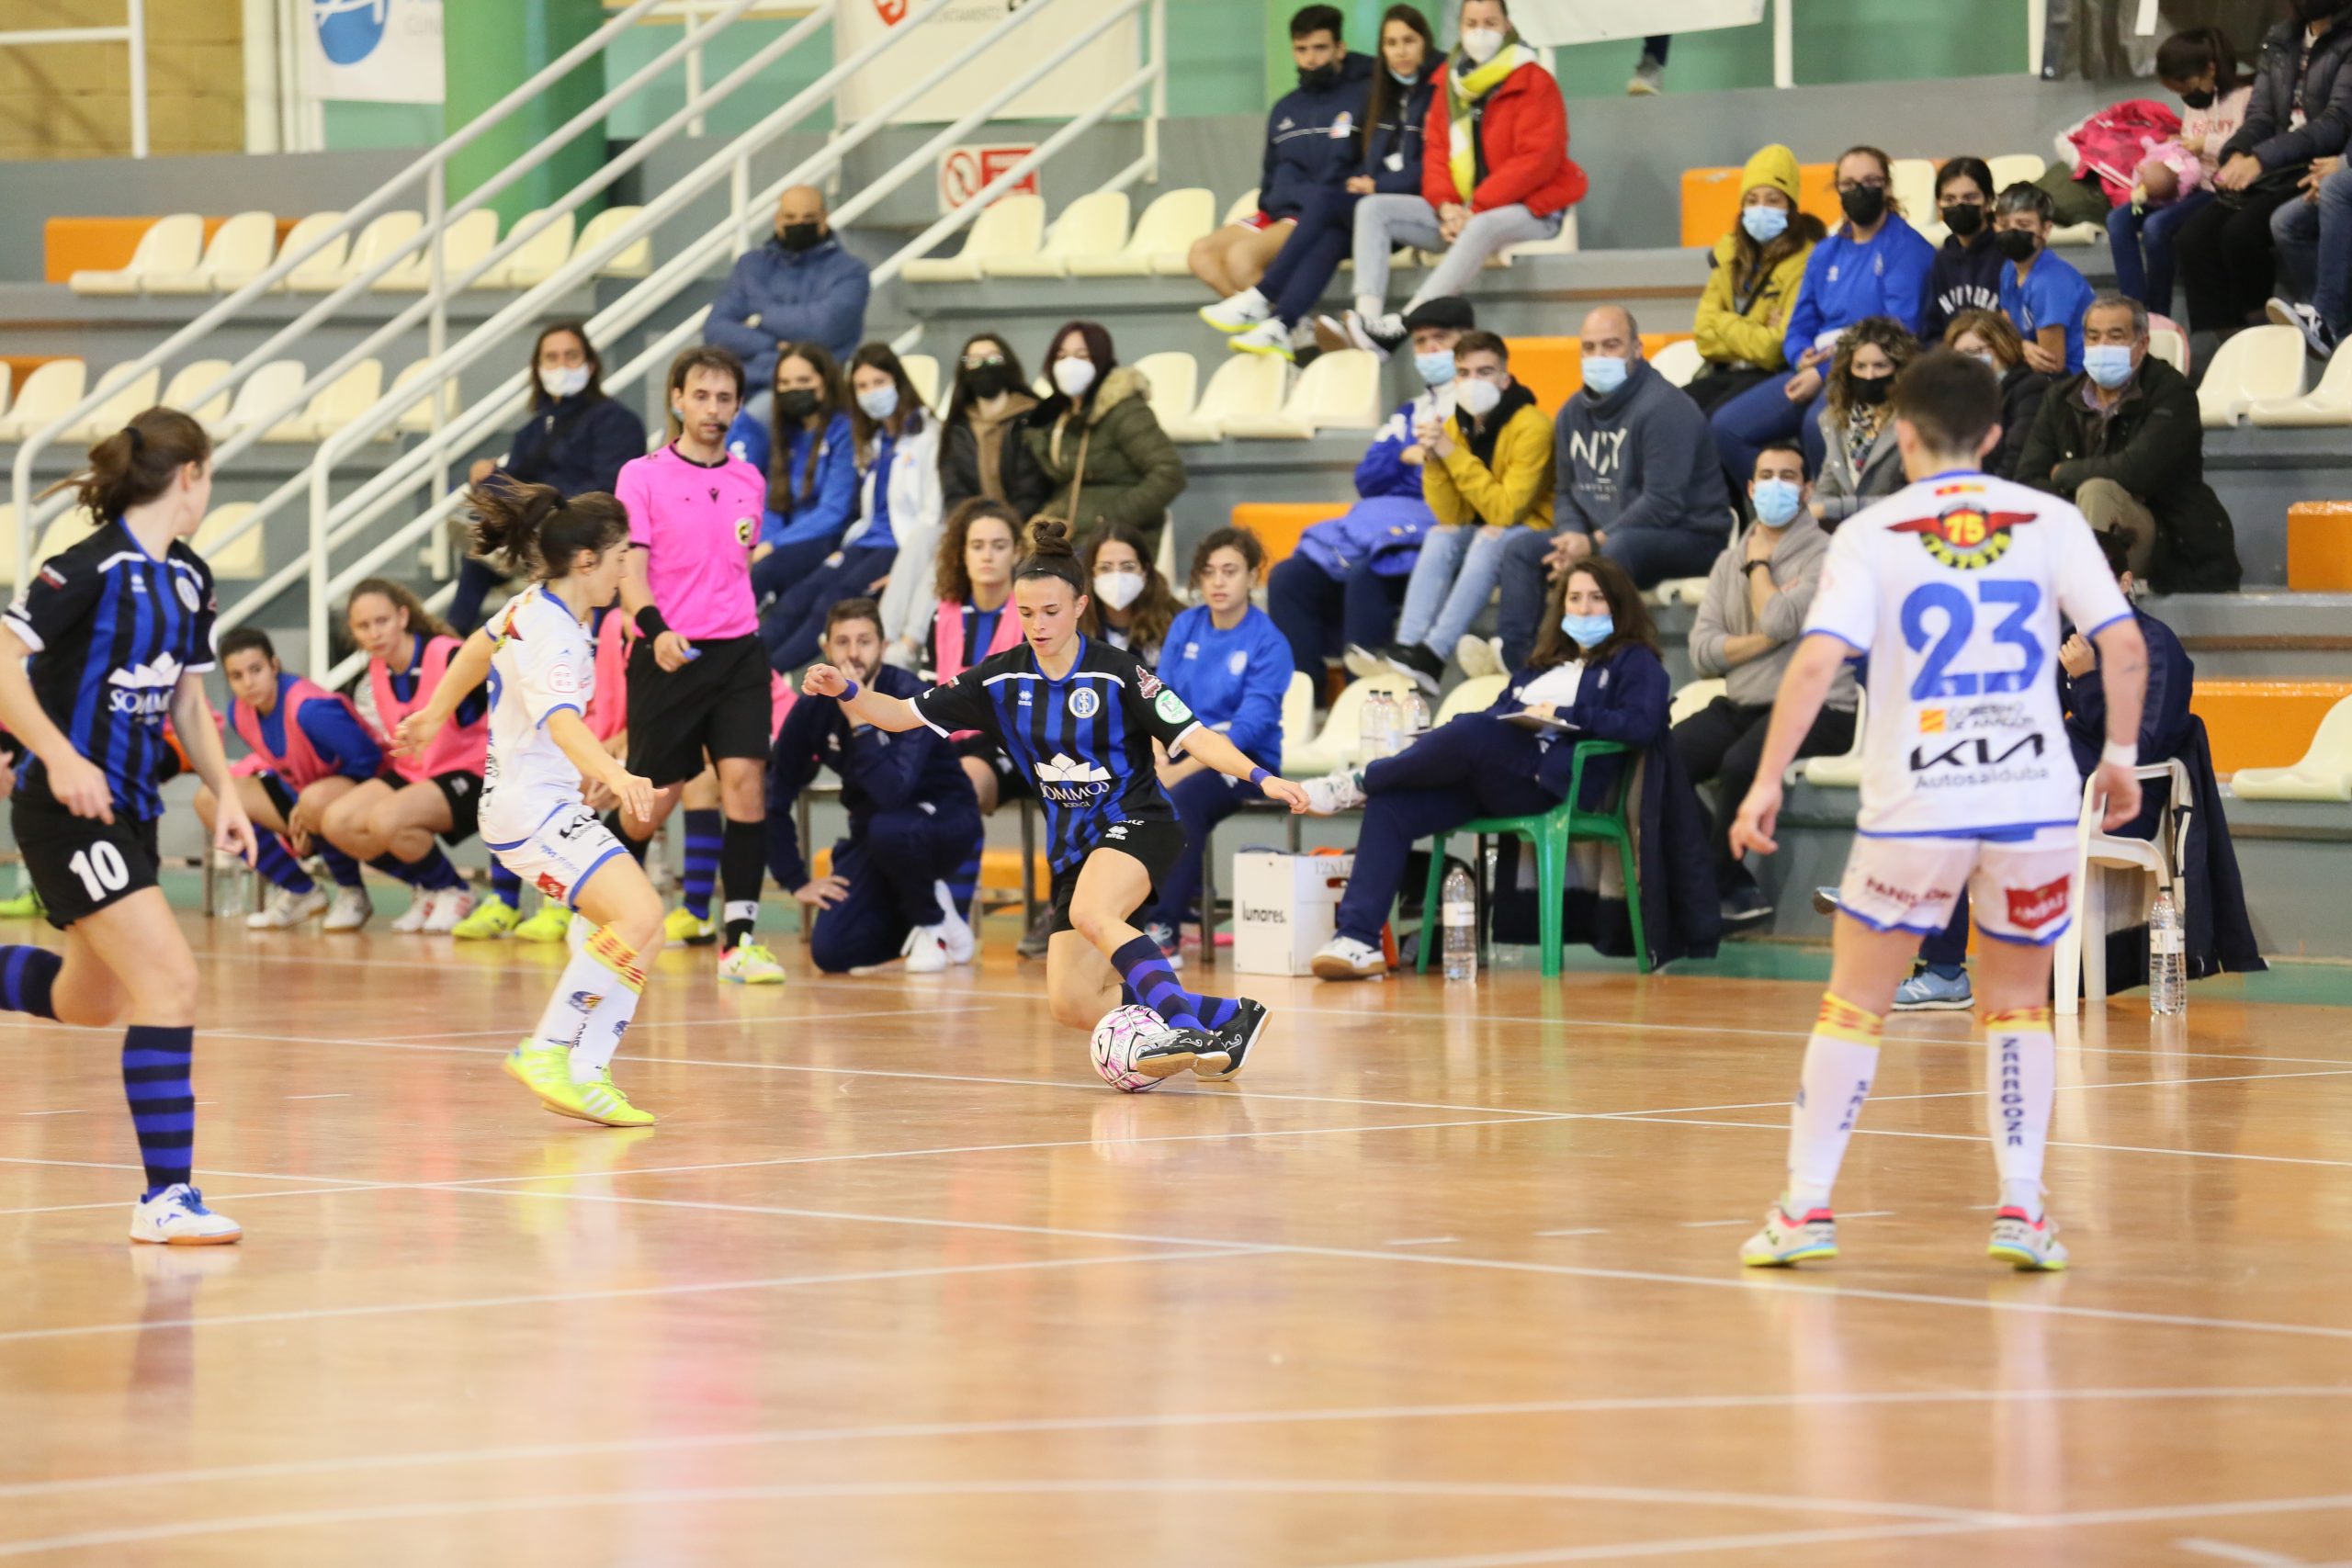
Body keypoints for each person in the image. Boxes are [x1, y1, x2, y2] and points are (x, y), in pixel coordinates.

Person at [1727, 347, 2150, 1273]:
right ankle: (2022, 1210)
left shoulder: (1872, 533)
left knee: (1855, 1003)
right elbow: (2119, 642)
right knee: (2013, 1007)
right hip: (2032, 794)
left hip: (1918, 795)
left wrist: (1763, 782)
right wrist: (2118, 758)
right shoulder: (2046, 518)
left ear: (1902, 435)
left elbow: (1811, 662)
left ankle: (1805, 1209)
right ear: (1995, 434)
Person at [802, 521, 1310, 1079]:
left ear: (1079, 607)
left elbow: (1195, 736)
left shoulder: (1119, 674)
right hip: (1074, 846)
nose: (1038, 624)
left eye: (1051, 611)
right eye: (1026, 613)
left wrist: (1262, 777)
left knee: (1092, 911)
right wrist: (845, 691)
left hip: (1139, 821)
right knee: (1071, 1002)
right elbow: (901, 715)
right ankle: (1232, 1016)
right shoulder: (996, 680)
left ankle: (1179, 1027)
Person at [0, 407, 256, 1243]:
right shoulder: (88, 566)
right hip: (67, 810)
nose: (207, 492)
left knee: (89, 1000)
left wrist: (227, 796)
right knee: (171, 984)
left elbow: (187, 697)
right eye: (209, 477)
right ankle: (164, 1197)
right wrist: (59, 755)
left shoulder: (189, 577)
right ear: (190, 476)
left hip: (135, 811)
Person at [395, 479, 667, 1127]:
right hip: (530, 810)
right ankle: (548, 1049)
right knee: (640, 914)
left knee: (641, 931)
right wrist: (614, 771)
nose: (629, 566)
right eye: (621, 553)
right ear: (587, 562)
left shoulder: (534, 608)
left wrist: (435, 712)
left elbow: (478, 645)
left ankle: (588, 1072)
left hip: (533, 804)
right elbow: (565, 724)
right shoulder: (558, 635)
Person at [1302, 557, 1668, 980]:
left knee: (1471, 730)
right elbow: (1498, 714)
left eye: (1596, 599)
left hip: (1547, 780)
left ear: (1618, 604)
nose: (1584, 610)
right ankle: (1358, 940)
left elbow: (1642, 724)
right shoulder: (1541, 664)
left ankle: (1360, 781)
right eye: (1575, 599)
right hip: (1491, 777)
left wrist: (1565, 713)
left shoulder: (1635, 662)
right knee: (1394, 804)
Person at [1893, 525, 2199, 1011]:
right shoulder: (2067, 641)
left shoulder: (2157, 649)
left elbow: (2141, 747)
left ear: (2123, 583)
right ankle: (1944, 969)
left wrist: (2089, 681)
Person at [612, 344, 786, 985]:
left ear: (738, 406)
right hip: (669, 652)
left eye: (725, 398)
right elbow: (630, 568)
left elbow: (734, 566)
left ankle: (739, 939)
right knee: (650, 801)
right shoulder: (642, 475)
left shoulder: (749, 480)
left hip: (739, 649)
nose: (713, 409)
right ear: (678, 399)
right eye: (702, 396)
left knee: (744, 782)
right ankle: (598, 905)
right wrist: (653, 628)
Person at [1675, 443, 1856, 929]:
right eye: (1767, 476)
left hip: (1822, 708)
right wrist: (1766, 637)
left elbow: (1777, 617)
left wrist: (1759, 569)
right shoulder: (1725, 561)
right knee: (1661, 758)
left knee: (1740, 764)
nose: (1777, 485)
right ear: (1751, 488)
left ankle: (1710, 891)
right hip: (1743, 702)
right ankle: (1726, 884)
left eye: (1789, 476)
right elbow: (1702, 653)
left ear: (1808, 489)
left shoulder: (1825, 556)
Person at [1343, 0, 1586, 359]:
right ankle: (1367, 325)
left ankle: (1403, 325)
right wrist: (1446, 208)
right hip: (1463, 214)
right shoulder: (1448, 85)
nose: (1481, 30)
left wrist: (1476, 208)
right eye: (1472, 22)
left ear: (1507, 26)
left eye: (1490, 21)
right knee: (1372, 209)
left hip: (1531, 210)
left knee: (1483, 225)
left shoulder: (1534, 80)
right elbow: (1436, 154)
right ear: (1460, 28)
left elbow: (1536, 161)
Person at [1204, 5, 1438, 362]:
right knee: (1328, 234)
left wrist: (1379, 184)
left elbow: (1433, 165)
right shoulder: (1383, 95)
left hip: (1411, 207)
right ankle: (1283, 324)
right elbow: (1271, 178)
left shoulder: (1431, 91)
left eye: (1409, 41)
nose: (1400, 51)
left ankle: (1263, 298)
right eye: (1390, 43)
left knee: (1326, 202)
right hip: (1361, 206)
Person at [769, 598, 983, 975]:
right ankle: (922, 912)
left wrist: (860, 720)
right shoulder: (812, 709)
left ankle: (932, 925)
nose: (853, 654)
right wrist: (794, 878)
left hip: (944, 823)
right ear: (826, 649)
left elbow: (894, 792)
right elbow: (776, 790)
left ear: (884, 648)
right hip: (876, 836)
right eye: (843, 642)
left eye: (864, 641)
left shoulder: (909, 695)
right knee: (831, 952)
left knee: (891, 826)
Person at [1270, 296, 1468, 682]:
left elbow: (1459, 484)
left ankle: (1362, 698)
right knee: (1289, 578)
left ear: (1468, 340)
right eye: (1422, 342)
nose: (1430, 350)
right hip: (1384, 528)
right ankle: (1304, 706)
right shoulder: (1410, 411)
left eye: (1440, 339)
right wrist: (1409, 457)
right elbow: (1368, 478)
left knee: (1368, 572)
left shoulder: (1480, 410)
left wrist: (1420, 463)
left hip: (1441, 531)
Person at [1510, 308, 1729, 655]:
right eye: (1590, 348)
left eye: (1611, 345)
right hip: (1608, 535)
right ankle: (1522, 664)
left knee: (1617, 550)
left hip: (1690, 535)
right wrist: (1571, 538)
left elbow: (1662, 504)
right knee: (1521, 550)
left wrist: (1593, 543)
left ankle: (1601, 660)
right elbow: (1566, 491)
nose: (1599, 357)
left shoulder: (1664, 408)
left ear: (1637, 349)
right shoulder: (1571, 413)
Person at [1711, 145, 1936, 482]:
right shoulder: (1825, 252)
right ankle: (1792, 510)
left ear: (1887, 187)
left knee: (1818, 428)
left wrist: (1827, 371)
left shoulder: (1908, 249)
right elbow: (1800, 322)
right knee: (1727, 428)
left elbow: (1899, 331)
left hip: (1871, 372)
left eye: (1870, 181)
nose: (1859, 191)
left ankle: (1829, 520)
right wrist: (1801, 357)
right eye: (1848, 184)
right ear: (1838, 190)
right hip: (1813, 366)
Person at [2014, 292, 2241, 592]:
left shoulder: (2172, 392)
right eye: (2093, 337)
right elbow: (2028, 479)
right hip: (2077, 533)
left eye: (2115, 336)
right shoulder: (2060, 397)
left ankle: (2093, 619)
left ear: (2142, 344)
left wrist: (2063, 474)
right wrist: (2075, 503)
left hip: (2164, 540)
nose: (2102, 346)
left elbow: (2137, 471)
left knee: (2097, 492)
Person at [1371, 330, 1553, 694]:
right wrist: (1435, 461)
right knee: (1441, 536)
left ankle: (1434, 653)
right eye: (1464, 373)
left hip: (1536, 528)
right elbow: (1450, 516)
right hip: (1488, 527)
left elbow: (1505, 511)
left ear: (1504, 377)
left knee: (1489, 538)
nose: (1473, 382)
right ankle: (1408, 647)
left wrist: (1451, 454)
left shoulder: (1532, 425)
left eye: (1484, 372)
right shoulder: (1455, 424)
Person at [1139, 527, 1292, 961]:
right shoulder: (1187, 624)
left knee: (1183, 801)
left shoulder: (1269, 641)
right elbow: (1158, 695)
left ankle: (1164, 928)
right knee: (1122, 790)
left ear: (1251, 578)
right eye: (1209, 572)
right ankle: (1120, 923)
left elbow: (1250, 725)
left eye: (1230, 571)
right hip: (1180, 750)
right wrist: (1155, 754)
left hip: (1246, 761)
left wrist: (1179, 768)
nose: (1218, 582)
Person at [451, 321, 648, 635]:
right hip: (538, 538)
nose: (561, 366)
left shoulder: (617, 422)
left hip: (588, 539)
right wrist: (488, 479)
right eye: (552, 358)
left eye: (571, 356)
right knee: (477, 550)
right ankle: (452, 644)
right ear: (538, 368)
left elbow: (607, 494)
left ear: (591, 364)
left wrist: (511, 490)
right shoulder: (534, 429)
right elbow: (514, 483)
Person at [2175, 2, 2352, 339]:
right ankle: (2226, 344)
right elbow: (2261, 114)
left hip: (2315, 160)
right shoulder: (2281, 37)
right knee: (2191, 238)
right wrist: (2237, 153)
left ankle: (2263, 335)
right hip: (2275, 161)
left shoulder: (2346, 39)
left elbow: (2335, 123)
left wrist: (2261, 159)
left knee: (2242, 233)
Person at [762, 344, 941, 672]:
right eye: (861, 386)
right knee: (798, 597)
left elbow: (932, 518)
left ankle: (764, 677)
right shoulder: (873, 440)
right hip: (865, 539)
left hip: (899, 547)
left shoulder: (928, 435)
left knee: (830, 604)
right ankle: (747, 670)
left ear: (898, 383)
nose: (871, 392)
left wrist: (906, 570)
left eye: (878, 382)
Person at [320, 580, 484, 934]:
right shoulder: (376, 673)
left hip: (470, 772)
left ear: (403, 616)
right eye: (363, 626)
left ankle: (455, 891)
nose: (374, 633)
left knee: (387, 819)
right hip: (417, 771)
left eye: (382, 621)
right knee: (336, 821)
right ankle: (430, 886)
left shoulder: (449, 654)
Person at [1189, 5, 1372, 310]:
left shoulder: (1363, 96)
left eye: (1320, 48)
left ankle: (1285, 326)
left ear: (1341, 49)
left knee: (1241, 259)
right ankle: (1280, 325)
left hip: (1317, 213)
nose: (1310, 59)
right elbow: (1270, 175)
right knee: (1201, 254)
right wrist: (1273, 203)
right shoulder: (1284, 108)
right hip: (1278, 210)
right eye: (1301, 50)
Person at [204, 628, 383, 933]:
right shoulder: (239, 712)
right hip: (307, 794)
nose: (248, 683)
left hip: (366, 789)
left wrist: (312, 806)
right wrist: (300, 807)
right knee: (210, 799)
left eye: (255, 670)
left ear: (274, 666)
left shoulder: (310, 709)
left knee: (314, 800)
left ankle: (353, 890)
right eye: (236, 675)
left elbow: (370, 758)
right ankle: (300, 890)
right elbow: (285, 766)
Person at [2111, 28, 2249, 315]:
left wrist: (2206, 144)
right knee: (2120, 220)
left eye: (2187, 88)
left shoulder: (2245, 97)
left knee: (2155, 227)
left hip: (2215, 191)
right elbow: (2188, 145)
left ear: (2211, 69)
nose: (2186, 97)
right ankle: (2134, 308)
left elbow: (2252, 143)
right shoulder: (2195, 104)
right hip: (2187, 186)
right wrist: (2172, 149)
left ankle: (2159, 313)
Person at [703, 185, 871, 420]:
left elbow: (824, 327)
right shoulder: (751, 266)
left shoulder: (850, 271)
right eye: (790, 217)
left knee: (746, 425)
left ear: (824, 218)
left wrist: (760, 318)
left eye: (808, 217)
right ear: (777, 220)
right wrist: (772, 344)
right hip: (739, 383)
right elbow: (716, 329)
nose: (799, 224)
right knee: (686, 428)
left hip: (806, 391)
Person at [1022, 321, 1187, 559]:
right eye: (1062, 356)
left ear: (1100, 361)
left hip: (1118, 539)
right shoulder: (1056, 413)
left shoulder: (1125, 409)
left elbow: (1169, 473)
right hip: (1069, 536)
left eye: (1082, 356)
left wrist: (1106, 520)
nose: (1070, 364)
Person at [1688, 144, 1826, 416]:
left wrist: (1724, 321)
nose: (1761, 209)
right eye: (1752, 200)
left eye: (1773, 200)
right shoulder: (1727, 252)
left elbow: (1774, 348)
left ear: (1790, 206)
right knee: (1673, 416)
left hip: (1770, 376)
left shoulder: (1806, 259)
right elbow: (1703, 335)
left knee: (1713, 422)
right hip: (1722, 372)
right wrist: (1758, 325)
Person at [730, 342, 859, 606]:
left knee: (764, 573)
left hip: (825, 537)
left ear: (824, 383)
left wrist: (773, 545)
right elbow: (774, 503)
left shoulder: (844, 430)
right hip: (786, 538)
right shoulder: (785, 433)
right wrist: (761, 544)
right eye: (785, 383)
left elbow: (834, 511)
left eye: (803, 380)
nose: (793, 390)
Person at [920, 499, 1027, 809]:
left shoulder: (1032, 613)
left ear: (1017, 552)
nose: (988, 556)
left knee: (959, 786)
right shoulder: (943, 615)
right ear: (962, 553)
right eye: (977, 546)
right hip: (949, 741)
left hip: (1014, 745)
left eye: (999, 545)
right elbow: (927, 694)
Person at [1811, 316, 1916, 528]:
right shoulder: (1835, 419)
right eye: (1860, 366)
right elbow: (1825, 490)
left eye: (1880, 366)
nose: (1869, 375)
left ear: (1899, 369)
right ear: (1847, 369)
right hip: (1850, 536)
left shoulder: (1915, 420)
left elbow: (1909, 501)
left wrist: (1835, 509)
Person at [1993, 182, 2098, 376]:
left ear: (2046, 229)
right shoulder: (2008, 269)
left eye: (2024, 225)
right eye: (2004, 225)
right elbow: (2006, 328)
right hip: (2031, 369)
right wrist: (2021, 346)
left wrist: (2015, 347)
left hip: (2072, 379)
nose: (2012, 231)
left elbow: (2051, 363)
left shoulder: (2050, 281)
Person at [1945, 310, 2051, 481]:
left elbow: (2017, 456)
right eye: (1959, 355)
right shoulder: (1956, 398)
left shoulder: (2031, 389)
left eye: (1976, 351)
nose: (1967, 361)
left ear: (2002, 347)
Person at [1920, 157, 2003, 344]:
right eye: (1950, 199)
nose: (1959, 206)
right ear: (1939, 206)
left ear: (1989, 201)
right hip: (1955, 365)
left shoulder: (2008, 254)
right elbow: (1932, 333)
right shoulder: (1942, 260)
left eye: (1970, 197)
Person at [1080, 525, 1180, 664]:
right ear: (1092, 574)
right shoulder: (1075, 624)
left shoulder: (1175, 621)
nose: (1117, 577)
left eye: (1128, 567)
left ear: (1145, 571)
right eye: (1105, 568)